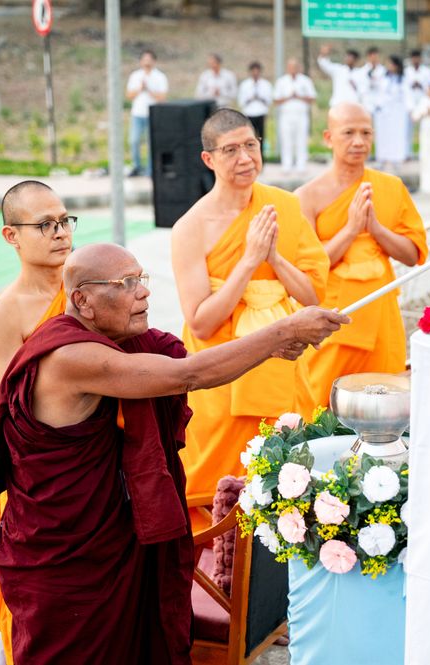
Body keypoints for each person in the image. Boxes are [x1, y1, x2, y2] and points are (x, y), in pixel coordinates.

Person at [0, 243, 346, 664]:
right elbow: (187, 375)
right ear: (82, 299)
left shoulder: (123, 344)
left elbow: (192, 364)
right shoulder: (68, 357)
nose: (143, 292)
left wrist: (269, 347)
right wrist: (284, 332)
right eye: (127, 283)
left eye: (142, 279)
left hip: (113, 540)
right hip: (66, 560)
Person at [171, 109, 330, 500]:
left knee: (288, 485)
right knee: (216, 492)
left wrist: (274, 258)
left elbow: (312, 297)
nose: (244, 158)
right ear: (208, 159)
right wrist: (248, 260)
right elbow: (201, 323)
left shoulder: (284, 207)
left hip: (283, 365)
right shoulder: (191, 227)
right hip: (221, 374)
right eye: (230, 150)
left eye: (250, 145)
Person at [0, 180, 74, 664]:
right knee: (43, 616)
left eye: (64, 221)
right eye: (44, 225)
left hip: (102, 466)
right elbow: (16, 412)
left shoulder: (91, 285)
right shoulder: (3, 314)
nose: (60, 234)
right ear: (11, 237)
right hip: (44, 483)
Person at [295, 102, 428, 405]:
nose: (359, 141)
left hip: (381, 311)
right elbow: (306, 269)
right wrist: (351, 230)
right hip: (333, 319)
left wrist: (377, 230)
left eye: (366, 133)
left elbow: (412, 255)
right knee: (322, 401)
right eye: (349, 133)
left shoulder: (389, 187)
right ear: (329, 138)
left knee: (385, 400)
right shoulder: (308, 196)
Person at [126, 49, 168, 177]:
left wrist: (148, 89)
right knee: (134, 140)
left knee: (152, 143)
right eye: (144, 60)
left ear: (154, 61)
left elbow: (162, 97)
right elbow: (129, 95)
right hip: (138, 113)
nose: (146, 63)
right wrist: (140, 88)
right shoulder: (135, 76)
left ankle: (151, 169)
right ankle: (137, 166)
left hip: (153, 113)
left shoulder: (160, 77)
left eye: (149, 60)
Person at [274, 58, 316, 173]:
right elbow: (276, 100)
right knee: (286, 139)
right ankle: (286, 165)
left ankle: (301, 165)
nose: (293, 69)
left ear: (298, 68)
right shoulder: (281, 81)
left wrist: (299, 96)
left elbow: (312, 98)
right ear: (287, 68)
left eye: (295, 67)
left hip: (301, 114)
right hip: (286, 115)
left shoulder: (305, 81)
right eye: (290, 67)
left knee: (301, 139)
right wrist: (289, 96)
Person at [372, 55, 410, 172]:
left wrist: (411, 110)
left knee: (396, 136)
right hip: (383, 112)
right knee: (383, 136)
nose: (389, 67)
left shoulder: (402, 80)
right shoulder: (383, 78)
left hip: (397, 112)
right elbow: (377, 93)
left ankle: (396, 159)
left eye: (391, 64)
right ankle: (382, 159)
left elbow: (407, 96)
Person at [404, 49, 430, 158]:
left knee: (424, 129)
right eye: (414, 58)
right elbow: (404, 88)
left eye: (417, 57)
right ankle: (408, 153)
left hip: (423, 103)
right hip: (410, 104)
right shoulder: (407, 71)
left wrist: (420, 85)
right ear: (411, 59)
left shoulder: (427, 71)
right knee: (408, 130)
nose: (415, 60)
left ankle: (423, 154)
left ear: (420, 59)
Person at [238, 62, 274, 146]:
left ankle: (261, 156)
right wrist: (250, 98)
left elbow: (269, 100)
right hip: (249, 113)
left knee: (261, 137)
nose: (255, 73)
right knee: (249, 136)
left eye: (257, 71)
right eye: (253, 71)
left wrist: (260, 97)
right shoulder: (245, 85)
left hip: (261, 113)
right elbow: (241, 101)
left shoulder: (266, 84)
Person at [359, 46, 387, 113]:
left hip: (380, 101)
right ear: (368, 57)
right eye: (372, 56)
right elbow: (361, 87)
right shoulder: (362, 71)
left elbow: (385, 85)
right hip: (367, 101)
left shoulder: (384, 71)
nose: (374, 58)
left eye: (376, 56)